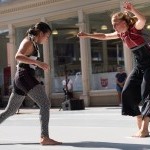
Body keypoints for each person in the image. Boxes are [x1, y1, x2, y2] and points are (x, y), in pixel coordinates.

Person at [77, 1, 150, 137]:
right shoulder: (122, 35)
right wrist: (87, 35)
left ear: (125, 22)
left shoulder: (135, 29)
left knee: (147, 94)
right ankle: (140, 124)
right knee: (127, 92)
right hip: (140, 65)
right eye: (112, 24)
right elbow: (104, 36)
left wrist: (132, 9)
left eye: (116, 23)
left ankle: (145, 129)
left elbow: (142, 19)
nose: (114, 26)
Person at [0, 22, 62, 145]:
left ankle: (45, 137)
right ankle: (45, 137)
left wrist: (37, 64)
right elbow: (18, 56)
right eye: (47, 36)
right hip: (24, 76)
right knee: (45, 103)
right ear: (41, 33)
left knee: (10, 111)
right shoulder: (28, 41)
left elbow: (27, 60)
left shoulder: (33, 43)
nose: (47, 39)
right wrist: (39, 63)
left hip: (22, 77)